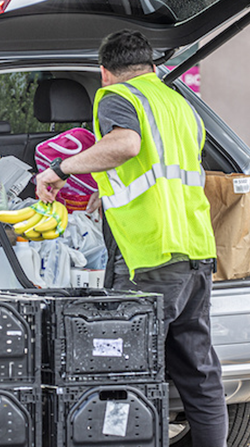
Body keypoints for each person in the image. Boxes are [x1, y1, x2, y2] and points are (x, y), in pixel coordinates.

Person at [35, 29, 228, 447]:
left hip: (149, 255)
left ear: (105, 72)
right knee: (198, 371)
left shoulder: (116, 97)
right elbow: (163, 169)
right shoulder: (178, 103)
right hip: (194, 250)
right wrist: (106, 198)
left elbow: (125, 144)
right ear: (153, 67)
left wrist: (61, 169)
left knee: (126, 370)